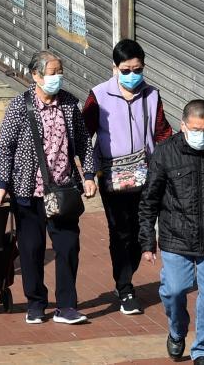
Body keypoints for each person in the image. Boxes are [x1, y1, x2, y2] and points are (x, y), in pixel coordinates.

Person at [0, 50, 96, 325]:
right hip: (28, 191)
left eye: (60, 71)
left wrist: (88, 175)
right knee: (32, 248)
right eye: (52, 73)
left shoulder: (70, 105)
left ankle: (66, 306)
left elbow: (84, 143)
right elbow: (5, 147)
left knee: (68, 246)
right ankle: (36, 303)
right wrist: (2, 185)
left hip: (63, 191)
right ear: (35, 75)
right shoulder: (19, 106)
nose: (57, 77)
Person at [138, 100, 204, 365]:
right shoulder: (165, 152)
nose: (202, 135)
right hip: (176, 238)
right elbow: (149, 199)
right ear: (183, 125)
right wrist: (147, 241)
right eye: (196, 129)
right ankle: (177, 330)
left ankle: (203, 350)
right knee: (175, 290)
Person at [83, 39, 173, 315]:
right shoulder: (98, 96)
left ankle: (126, 273)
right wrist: (87, 173)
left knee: (140, 232)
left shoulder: (152, 95)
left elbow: (162, 133)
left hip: (145, 175)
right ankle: (125, 288)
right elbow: (84, 137)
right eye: (126, 69)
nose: (132, 75)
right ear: (114, 68)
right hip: (111, 176)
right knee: (119, 232)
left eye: (138, 69)